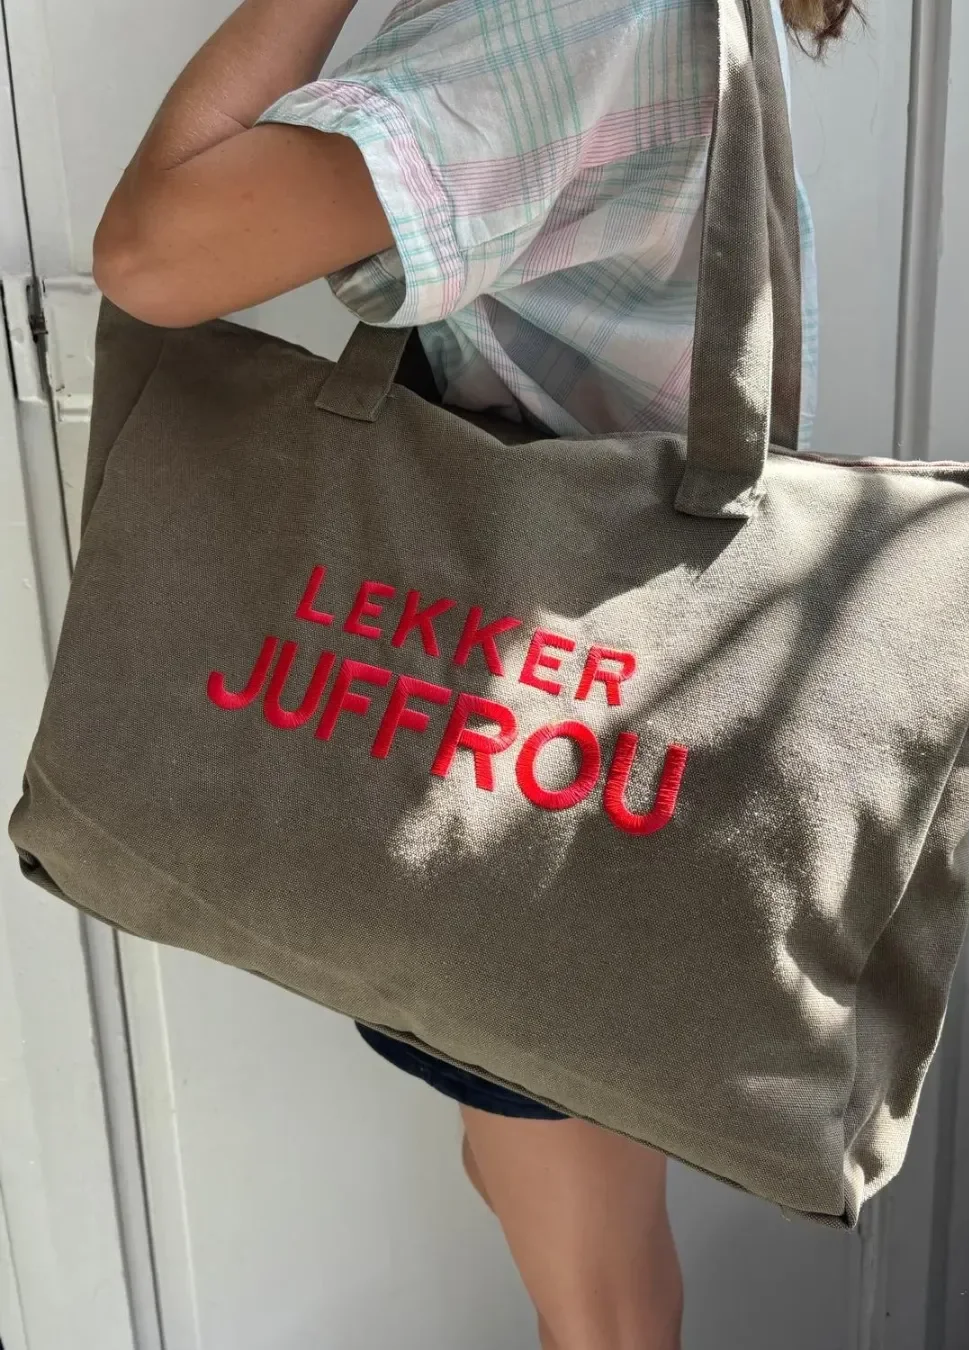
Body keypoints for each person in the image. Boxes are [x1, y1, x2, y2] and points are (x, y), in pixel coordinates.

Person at [93, 0, 854, 1344]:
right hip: (563, 737)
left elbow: (155, 251)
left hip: (538, 764)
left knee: (601, 1299)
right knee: (538, 1192)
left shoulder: (567, 11)